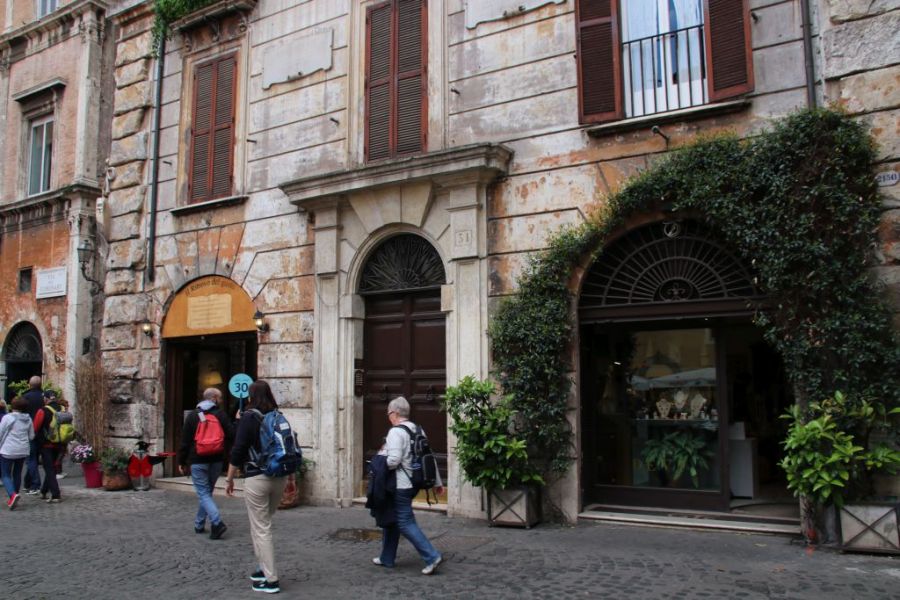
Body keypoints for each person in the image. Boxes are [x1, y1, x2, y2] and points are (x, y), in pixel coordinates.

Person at [225, 380, 286, 594]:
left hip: (257, 476)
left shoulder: (249, 416)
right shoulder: (277, 415)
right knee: (262, 524)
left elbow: (239, 449)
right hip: (279, 477)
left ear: (251, 396)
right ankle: (262, 568)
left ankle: (271, 580)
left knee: (261, 528)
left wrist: (229, 478)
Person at [373, 396, 443, 575]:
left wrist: (378, 464)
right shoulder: (418, 429)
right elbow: (428, 457)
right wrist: (437, 482)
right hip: (413, 483)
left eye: (389, 413)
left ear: (394, 413)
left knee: (405, 522)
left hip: (400, 485)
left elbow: (394, 460)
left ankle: (432, 556)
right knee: (392, 519)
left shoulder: (395, 432)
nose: (388, 417)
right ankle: (386, 557)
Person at [178, 387, 234, 539]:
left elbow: (185, 441)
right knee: (207, 493)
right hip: (216, 459)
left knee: (203, 493)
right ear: (214, 398)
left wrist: (182, 461)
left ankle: (217, 522)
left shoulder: (193, 415)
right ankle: (199, 524)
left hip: (197, 460)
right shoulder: (221, 414)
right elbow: (231, 434)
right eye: (220, 398)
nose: (221, 401)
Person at [0, 397, 34, 510]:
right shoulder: (28, 419)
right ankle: (15, 495)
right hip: (22, 450)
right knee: (17, 473)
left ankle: (13, 495)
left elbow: (0, 433)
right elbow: (31, 436)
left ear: (12, 406)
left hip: (8, 449)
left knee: (5, 474)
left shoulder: (7, 418)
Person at [32, 390, 64, 503]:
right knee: (51, 468)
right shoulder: (62, 409)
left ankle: (56, 494)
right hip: (60, 443)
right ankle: (44, 491)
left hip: (46, 444)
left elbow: (35, 427)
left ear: (45, 399)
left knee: (49, 469)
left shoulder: (43, 410)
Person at [22, 376, 44, 494]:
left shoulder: (26, 397)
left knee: (31, 459)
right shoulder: (44, 397)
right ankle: (27, 483)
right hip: (42, 432)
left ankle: (35, 484)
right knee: (33, 458)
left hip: (29, 431)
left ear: (29, 385)